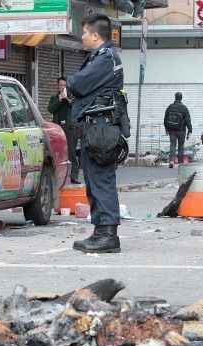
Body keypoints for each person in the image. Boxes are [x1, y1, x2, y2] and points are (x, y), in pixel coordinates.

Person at [67, 14, 125, 254]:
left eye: (84, 34)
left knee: (101, 180)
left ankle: (109, 234)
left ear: (95, 35)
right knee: (93, 180)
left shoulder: (106, 58)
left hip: (101, 129)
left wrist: (71, 82)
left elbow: (77, 84)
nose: (81, 38)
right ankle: (100, 231)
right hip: (94, 128)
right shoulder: (99, 57)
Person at [48, 77, 80, 184]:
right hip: (58, 129)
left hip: (70, 128)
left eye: (64, 85)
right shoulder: (54, 97)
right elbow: (50, 109)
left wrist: (67, 99)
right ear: (58, 86)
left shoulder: (72, 97)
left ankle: (74, 176)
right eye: (61, 85)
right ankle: (57, 177)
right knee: (57, 153)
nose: (63, 87)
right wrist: (59, 99)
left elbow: (76, 107)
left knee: (71, 152)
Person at [163, 92, 193, 169]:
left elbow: (165, 118)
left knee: (172, 145)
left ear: (175, 97)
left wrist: (166, 128)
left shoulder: (170, 107)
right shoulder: (184, 108)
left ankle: (171, 161)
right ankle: (180, 162)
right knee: (181, 146)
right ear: (181, 98)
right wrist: (190, 130)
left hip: (172, 130)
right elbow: (188, 120)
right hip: (181, 130)